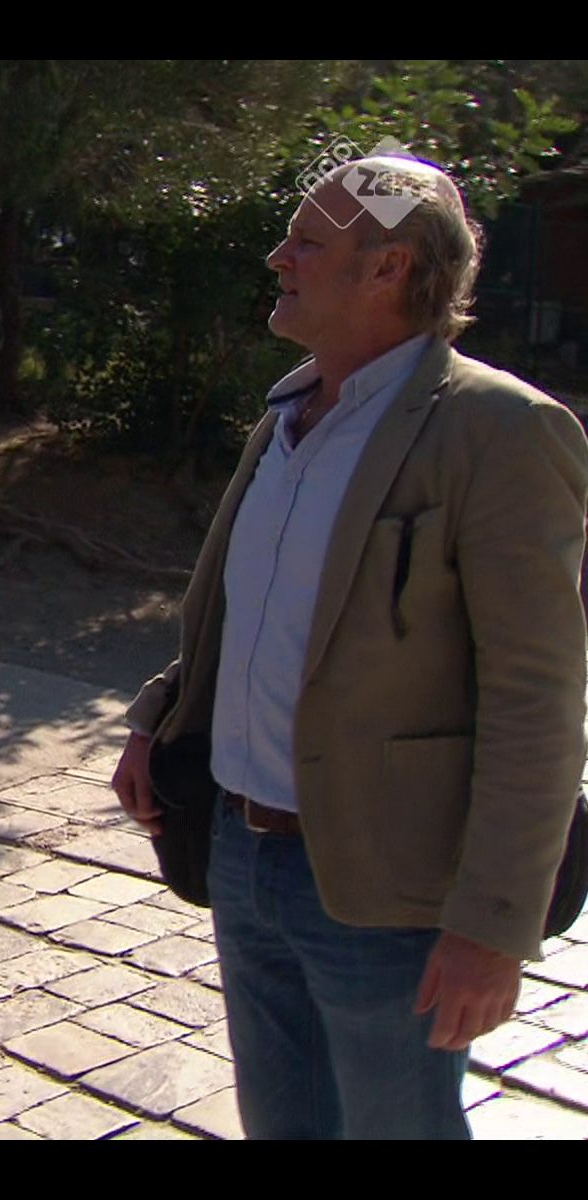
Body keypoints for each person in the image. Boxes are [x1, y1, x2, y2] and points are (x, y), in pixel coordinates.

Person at [110, 156, 588, 1139]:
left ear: (388, 268)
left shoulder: (500, 432)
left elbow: (539, 700)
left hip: (389, 891)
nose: (278, 257)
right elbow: (255, 617)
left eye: (307, 241)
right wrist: (158, 719)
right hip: (243, 857)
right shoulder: (287, 416)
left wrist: (493, 924)